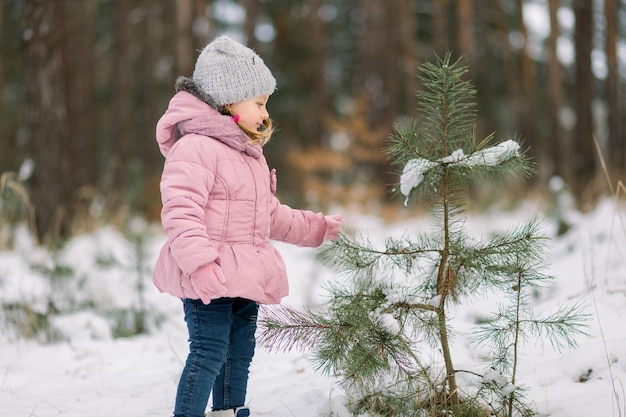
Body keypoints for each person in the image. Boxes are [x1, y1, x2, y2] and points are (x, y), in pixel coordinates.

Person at [152, 35, 343, 417]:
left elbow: (268, 216)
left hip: (244, 275)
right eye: (258, 103)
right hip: (208, 274)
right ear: (227, 100)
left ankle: (228, 411)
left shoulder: (248, 154)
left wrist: (315, 228)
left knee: (238, 354)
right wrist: (201, 266)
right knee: (209, 352)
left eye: (265, 104)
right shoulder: (196, 148)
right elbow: (180, 212)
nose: (264, 112)